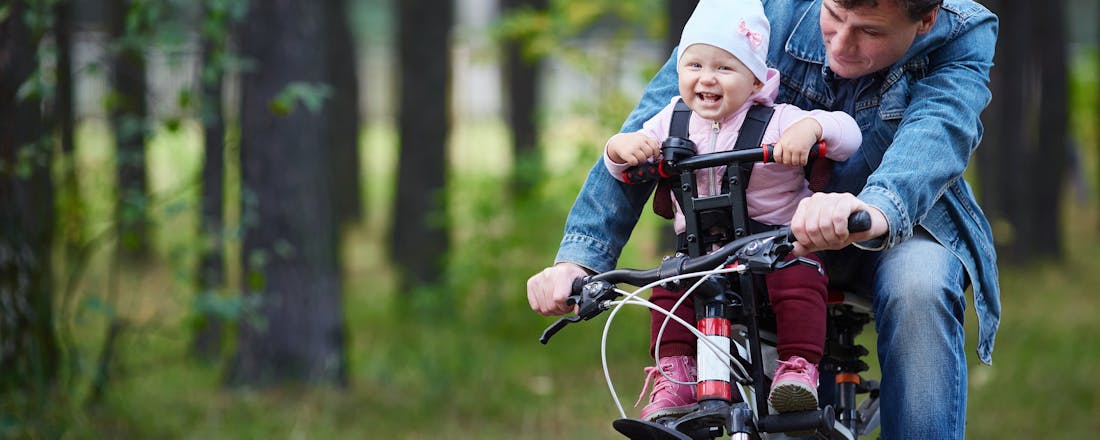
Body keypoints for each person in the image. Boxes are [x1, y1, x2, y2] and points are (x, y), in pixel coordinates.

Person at [527, 0, 1000, 438]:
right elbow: (657, 123)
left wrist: (871, 207)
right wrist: (579, 261)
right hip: (756, 236)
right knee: (683, 285)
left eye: (869, 31)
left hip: (890, 229)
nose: (840, 44)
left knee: (919, 287)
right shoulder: (757, 10)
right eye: (834, 14)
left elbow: (936, 133)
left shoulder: (961, 33)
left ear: (925, 20)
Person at [599, 0, 861, 421]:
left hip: (771, 253)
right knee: (668, 288)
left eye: (724, 68)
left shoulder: (778, 120)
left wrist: (813, 129)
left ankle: (797, 372)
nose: (706, 78)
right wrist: (620, 148)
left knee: (800, 276)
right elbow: (619, 162)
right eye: (695, 65)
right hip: (703, 259)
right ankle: (677, 376)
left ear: (756, 79)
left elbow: (849, 135)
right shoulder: (670, 120)